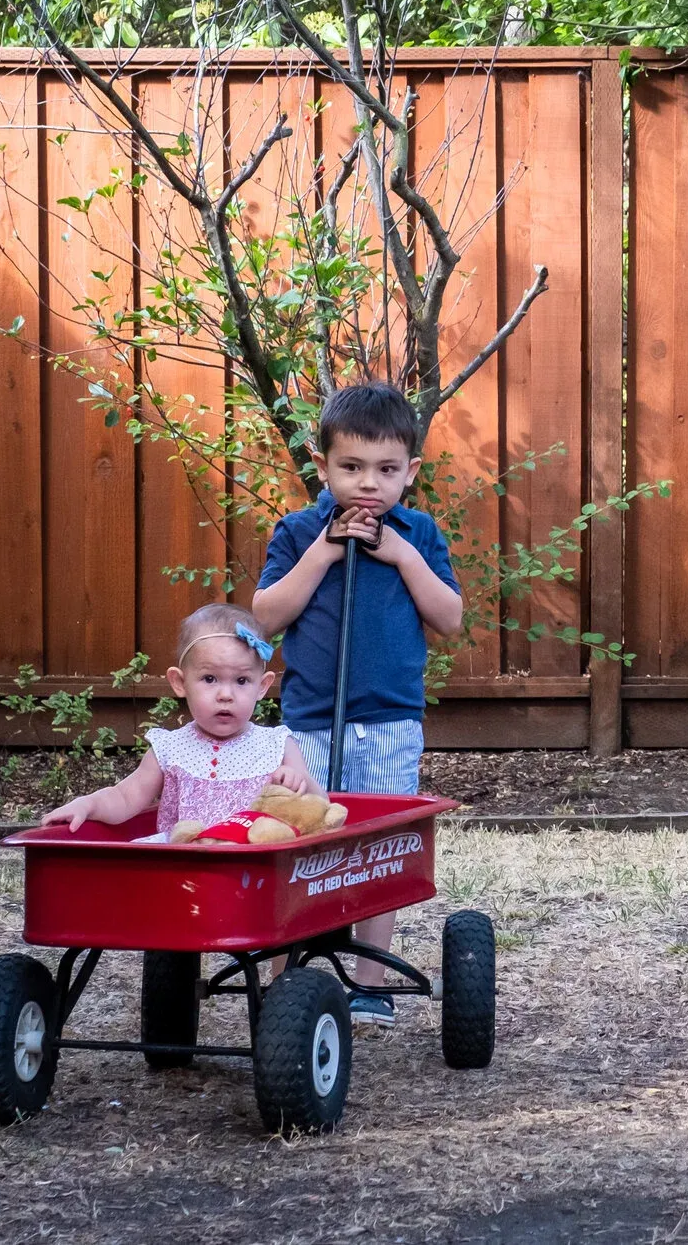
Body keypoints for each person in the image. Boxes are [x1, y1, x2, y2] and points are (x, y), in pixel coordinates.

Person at [251, 382, 466, 1023]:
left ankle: (369, 984)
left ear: (410, 473)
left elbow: (450, 618)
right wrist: (324, 549)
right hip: (311, 722)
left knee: (379, 847)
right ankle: (282, 984)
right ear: (322, 468)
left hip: (391, 721)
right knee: (295, 841)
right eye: (350, 468)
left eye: (386, 470)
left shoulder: (418, 533)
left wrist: (400, 556)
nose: (368, 485)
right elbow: (264, 618)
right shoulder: (297, 532)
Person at [41, 602, 321, 839]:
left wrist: (299, 783)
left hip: (255, 871)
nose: (226, 694)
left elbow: (320, 805)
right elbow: (125, 797)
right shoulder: (170, 748)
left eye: (242, 680)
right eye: (209, 679)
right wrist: (87, 804)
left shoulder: (277, 745)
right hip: (185, 869)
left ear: (262, 686)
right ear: (180, 682)